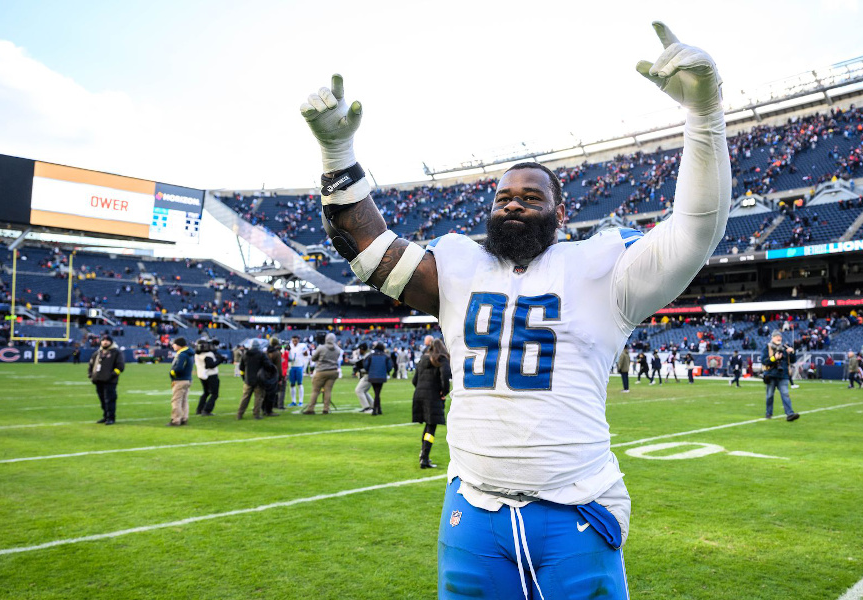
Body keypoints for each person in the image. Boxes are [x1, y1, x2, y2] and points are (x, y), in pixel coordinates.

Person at [299, 21, 729, 597]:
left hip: (575, 505)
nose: (514, 205)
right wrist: (337, 154)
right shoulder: (456, 267)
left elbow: (695, 232)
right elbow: (367, 252)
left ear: (559, 210)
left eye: (532, 197)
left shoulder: (603, 269)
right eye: (503, 197)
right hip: (473, 506)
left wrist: (705, 114)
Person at [412, 339, 452, 468]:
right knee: (431, 428)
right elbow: (445, 378)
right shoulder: (442, 359)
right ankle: (424, 456)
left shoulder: (423, 358)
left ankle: (423, 454)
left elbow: (414, 380)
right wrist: (443, 392)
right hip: (433, 396)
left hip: (419, 395)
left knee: (428, 426)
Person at [87, 335, 124, 425]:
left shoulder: (116, 352)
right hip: (98, 380)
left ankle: (111, 418)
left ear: (111, 342)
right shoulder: (97, 353)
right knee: (102, 400)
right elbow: (91, 364)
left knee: (109, 400)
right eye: (103, 340)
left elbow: (120, 367)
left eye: (107, 340)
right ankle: (105, 416)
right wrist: (91, 375)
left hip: (110, 381)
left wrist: (111, 376)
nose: (105, 342)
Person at [763, 332, 800, 422]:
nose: (779, 338)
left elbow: (793, 360)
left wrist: (792, 353)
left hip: (783, 375)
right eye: (777, 336)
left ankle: (790, 414)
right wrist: (774, 358)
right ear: (772, 337)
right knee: (769, 396)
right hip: (771, 375)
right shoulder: (768, 347)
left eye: (780, 336)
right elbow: (764, 361)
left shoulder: (785, 348)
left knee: (785, 394)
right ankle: (769, 413)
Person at [303, 333, 342, 414]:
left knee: (315, 390)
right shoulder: (338, 349)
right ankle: (326, 408)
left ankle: (311, 408)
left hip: (321, 371)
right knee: (328, 390)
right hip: (333, 371)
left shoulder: (321, 348)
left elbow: (313, 358)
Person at [237, 340, 271, 420]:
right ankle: (256, 414)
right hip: (259, 379)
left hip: (248, 379)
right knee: (258, 398)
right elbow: (268, 365)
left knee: (245, 397)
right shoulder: (261, 354)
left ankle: (239, 414)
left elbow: (241, 367)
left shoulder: (245, 354)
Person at [360, 342, 394, 416]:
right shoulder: (386, 356)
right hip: (381, 376)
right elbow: (390, 366)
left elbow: (365, 365)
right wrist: (386, 371)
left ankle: (377, 409)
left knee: (376, 393)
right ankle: (377, 409)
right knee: (377, 393)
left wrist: (370, 370)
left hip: (372, 376)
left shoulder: (371, 356)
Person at [168, 337, 194, 426]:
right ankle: (184, 418)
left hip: (180, 380)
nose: (173, 346)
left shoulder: (182, 354)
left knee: (176, 401)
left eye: (174, 344)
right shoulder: (188, 353)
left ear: (179, 345)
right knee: (184, 400)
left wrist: (172, 373)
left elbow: (178, 368)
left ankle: (176, 420)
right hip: (187, 379)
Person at [194, 339, 224, 416]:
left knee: (206, 392)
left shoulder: (197, 355)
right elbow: (211, 365)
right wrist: (220, 360)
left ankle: (199, 409)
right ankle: (206, 410)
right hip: (210, 375)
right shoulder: (207, 355)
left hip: (201, 374)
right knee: (214, 394)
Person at [286, 335, 310, 407]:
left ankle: (300, 401)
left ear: (299, 340)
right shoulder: (290, 346)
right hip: (292, 367)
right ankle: (293, 401)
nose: (294, 342)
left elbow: (306, 354)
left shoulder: (302, 346)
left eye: (296, 340)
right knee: (292, 384)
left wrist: (305, 351)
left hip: (299, 366)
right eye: (293, 340)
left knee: (299, 384)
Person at [262, 342, 283, 417]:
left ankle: (263, 408)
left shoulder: (265, 352)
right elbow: (279, 366)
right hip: (273, 375)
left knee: (264, 393)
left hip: (264, 375)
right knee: (272, 394)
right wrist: (280, 377)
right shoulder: (277, 353)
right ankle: (269, 411)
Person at [353, 343, 374, 412]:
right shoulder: (369, 354)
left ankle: (366, 407)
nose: (359, 351)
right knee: (364, 391)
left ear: (362, 349)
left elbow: (364, 365)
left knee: (358, 390)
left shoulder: (367, 356)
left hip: (368, 375)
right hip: (371, 374)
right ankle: (373, 405)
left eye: (360, 349)